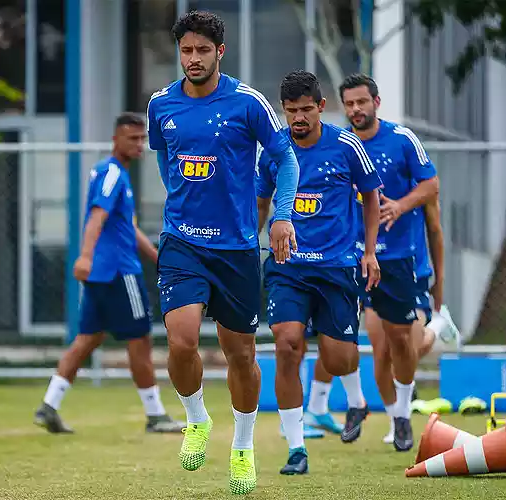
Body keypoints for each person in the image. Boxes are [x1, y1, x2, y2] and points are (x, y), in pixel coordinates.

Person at [146, 11, 299, 495]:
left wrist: (282, 214)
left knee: (241, 355)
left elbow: (285, 157)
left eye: (202, 51)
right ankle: (195, 419)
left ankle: (243, 448)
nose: (193, 59)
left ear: (219, 53)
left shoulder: (247, 102)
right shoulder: (160, 105)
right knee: (182, 340)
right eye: (186, 51)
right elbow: (165, 161)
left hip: (235, 248)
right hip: (181, 241)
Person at [256, 70, 382, 475]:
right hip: (287, 267)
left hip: (336, 267)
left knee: (339, 358)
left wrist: (370, 252)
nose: (298, 118)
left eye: (306, 110)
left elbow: (371, 198)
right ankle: (296, 448)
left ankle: (357, 401)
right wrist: (245, 245)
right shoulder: (273, 151)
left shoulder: (346, 145)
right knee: (287, 343)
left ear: (321, 107)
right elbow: (260, 202)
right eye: (291, 111)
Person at [34, 113, 185, 435]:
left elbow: (125, 226)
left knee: (88, 339)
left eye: (142, 138)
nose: (139, 144)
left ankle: (49, 405)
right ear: (116, 139)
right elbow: (96, 217)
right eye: (132, 138)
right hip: (119, 272)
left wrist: (157, 257)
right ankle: (156, 415)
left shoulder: (114, 174)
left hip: (103, 274)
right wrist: (85, 256)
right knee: (140, 340)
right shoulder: (112, 173)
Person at [339, 73, 455, 452]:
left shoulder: (402, 140)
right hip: (358, 259)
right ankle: (397, 418)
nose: (356, 109)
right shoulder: (342, 146)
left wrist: (400, 206)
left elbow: (432, 188)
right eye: (350, 104)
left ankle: (437, 328)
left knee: (401, 343)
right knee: (379, 346)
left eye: (362, 102)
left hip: (403, 261)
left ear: (376, 102)